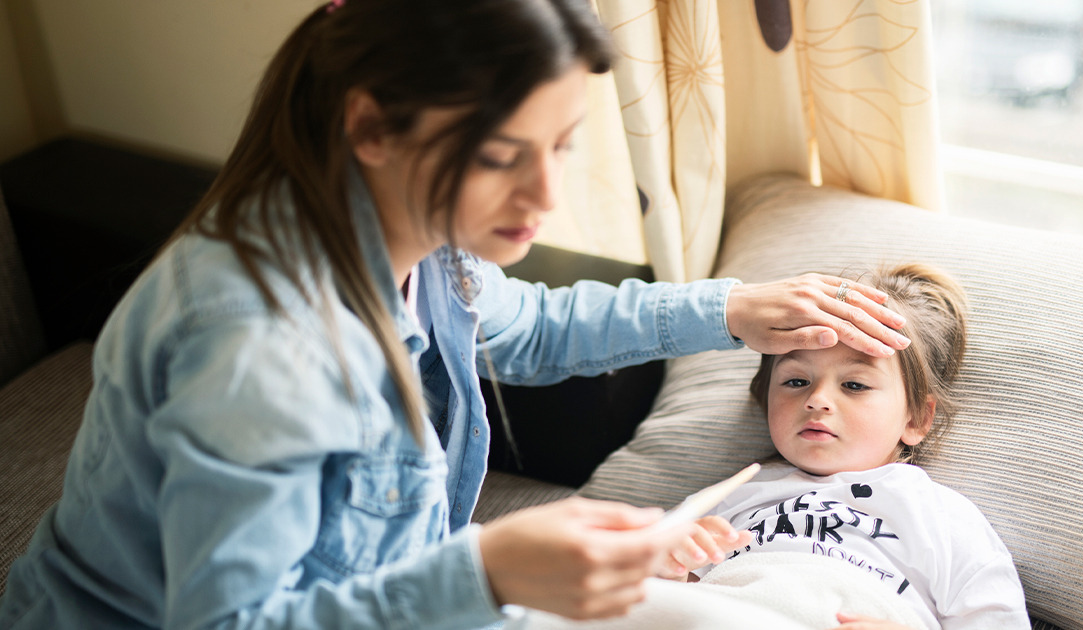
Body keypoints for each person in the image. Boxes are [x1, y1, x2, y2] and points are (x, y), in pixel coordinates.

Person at [0, 2, 912, 629]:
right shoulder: (259, 347)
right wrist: (486, 572)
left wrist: (732, 309)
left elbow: (530, 332)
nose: (545, 195)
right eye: (503, 156)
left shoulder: (420, 238)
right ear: (372, 128)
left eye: (561, 147)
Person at [660, 264, 1030, 630]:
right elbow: (652, 595)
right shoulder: (729, 497)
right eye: (796, 381)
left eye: (854, 385)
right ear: (765, 400)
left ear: (916, 418)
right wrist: (672, 573)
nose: (817, 399)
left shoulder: (943, 518)